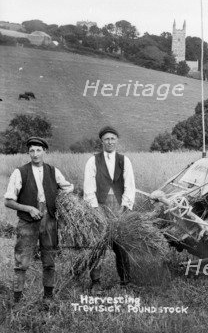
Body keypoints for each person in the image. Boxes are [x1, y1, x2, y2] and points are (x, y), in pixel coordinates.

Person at [4, 137, 74, 304]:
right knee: (22, 262)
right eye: (32, 151)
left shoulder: (53, 171)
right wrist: (29, 208)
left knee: (49, 261)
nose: (35, 154)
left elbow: (68, 187)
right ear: (28, 152)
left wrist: (59, 197)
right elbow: (8, 201)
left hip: (49, 220)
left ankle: (48, 298)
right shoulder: (19, 172)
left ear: (45, 152)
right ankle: (17, 299)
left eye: (38, 150)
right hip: (27, 222)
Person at [83, 126, 136, 292]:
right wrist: (95, 209)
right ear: (102, 141)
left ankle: (125, 282)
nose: (110, 141)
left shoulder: (124, 160)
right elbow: (88, 187)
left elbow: (130, 185)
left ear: (117, 140)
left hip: (119, 207)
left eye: (113, 138)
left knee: (122, 246)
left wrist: (125, 207)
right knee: (96, 246)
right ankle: (96, 282)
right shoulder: (93, 161)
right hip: (99, 206)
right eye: (107, 139)